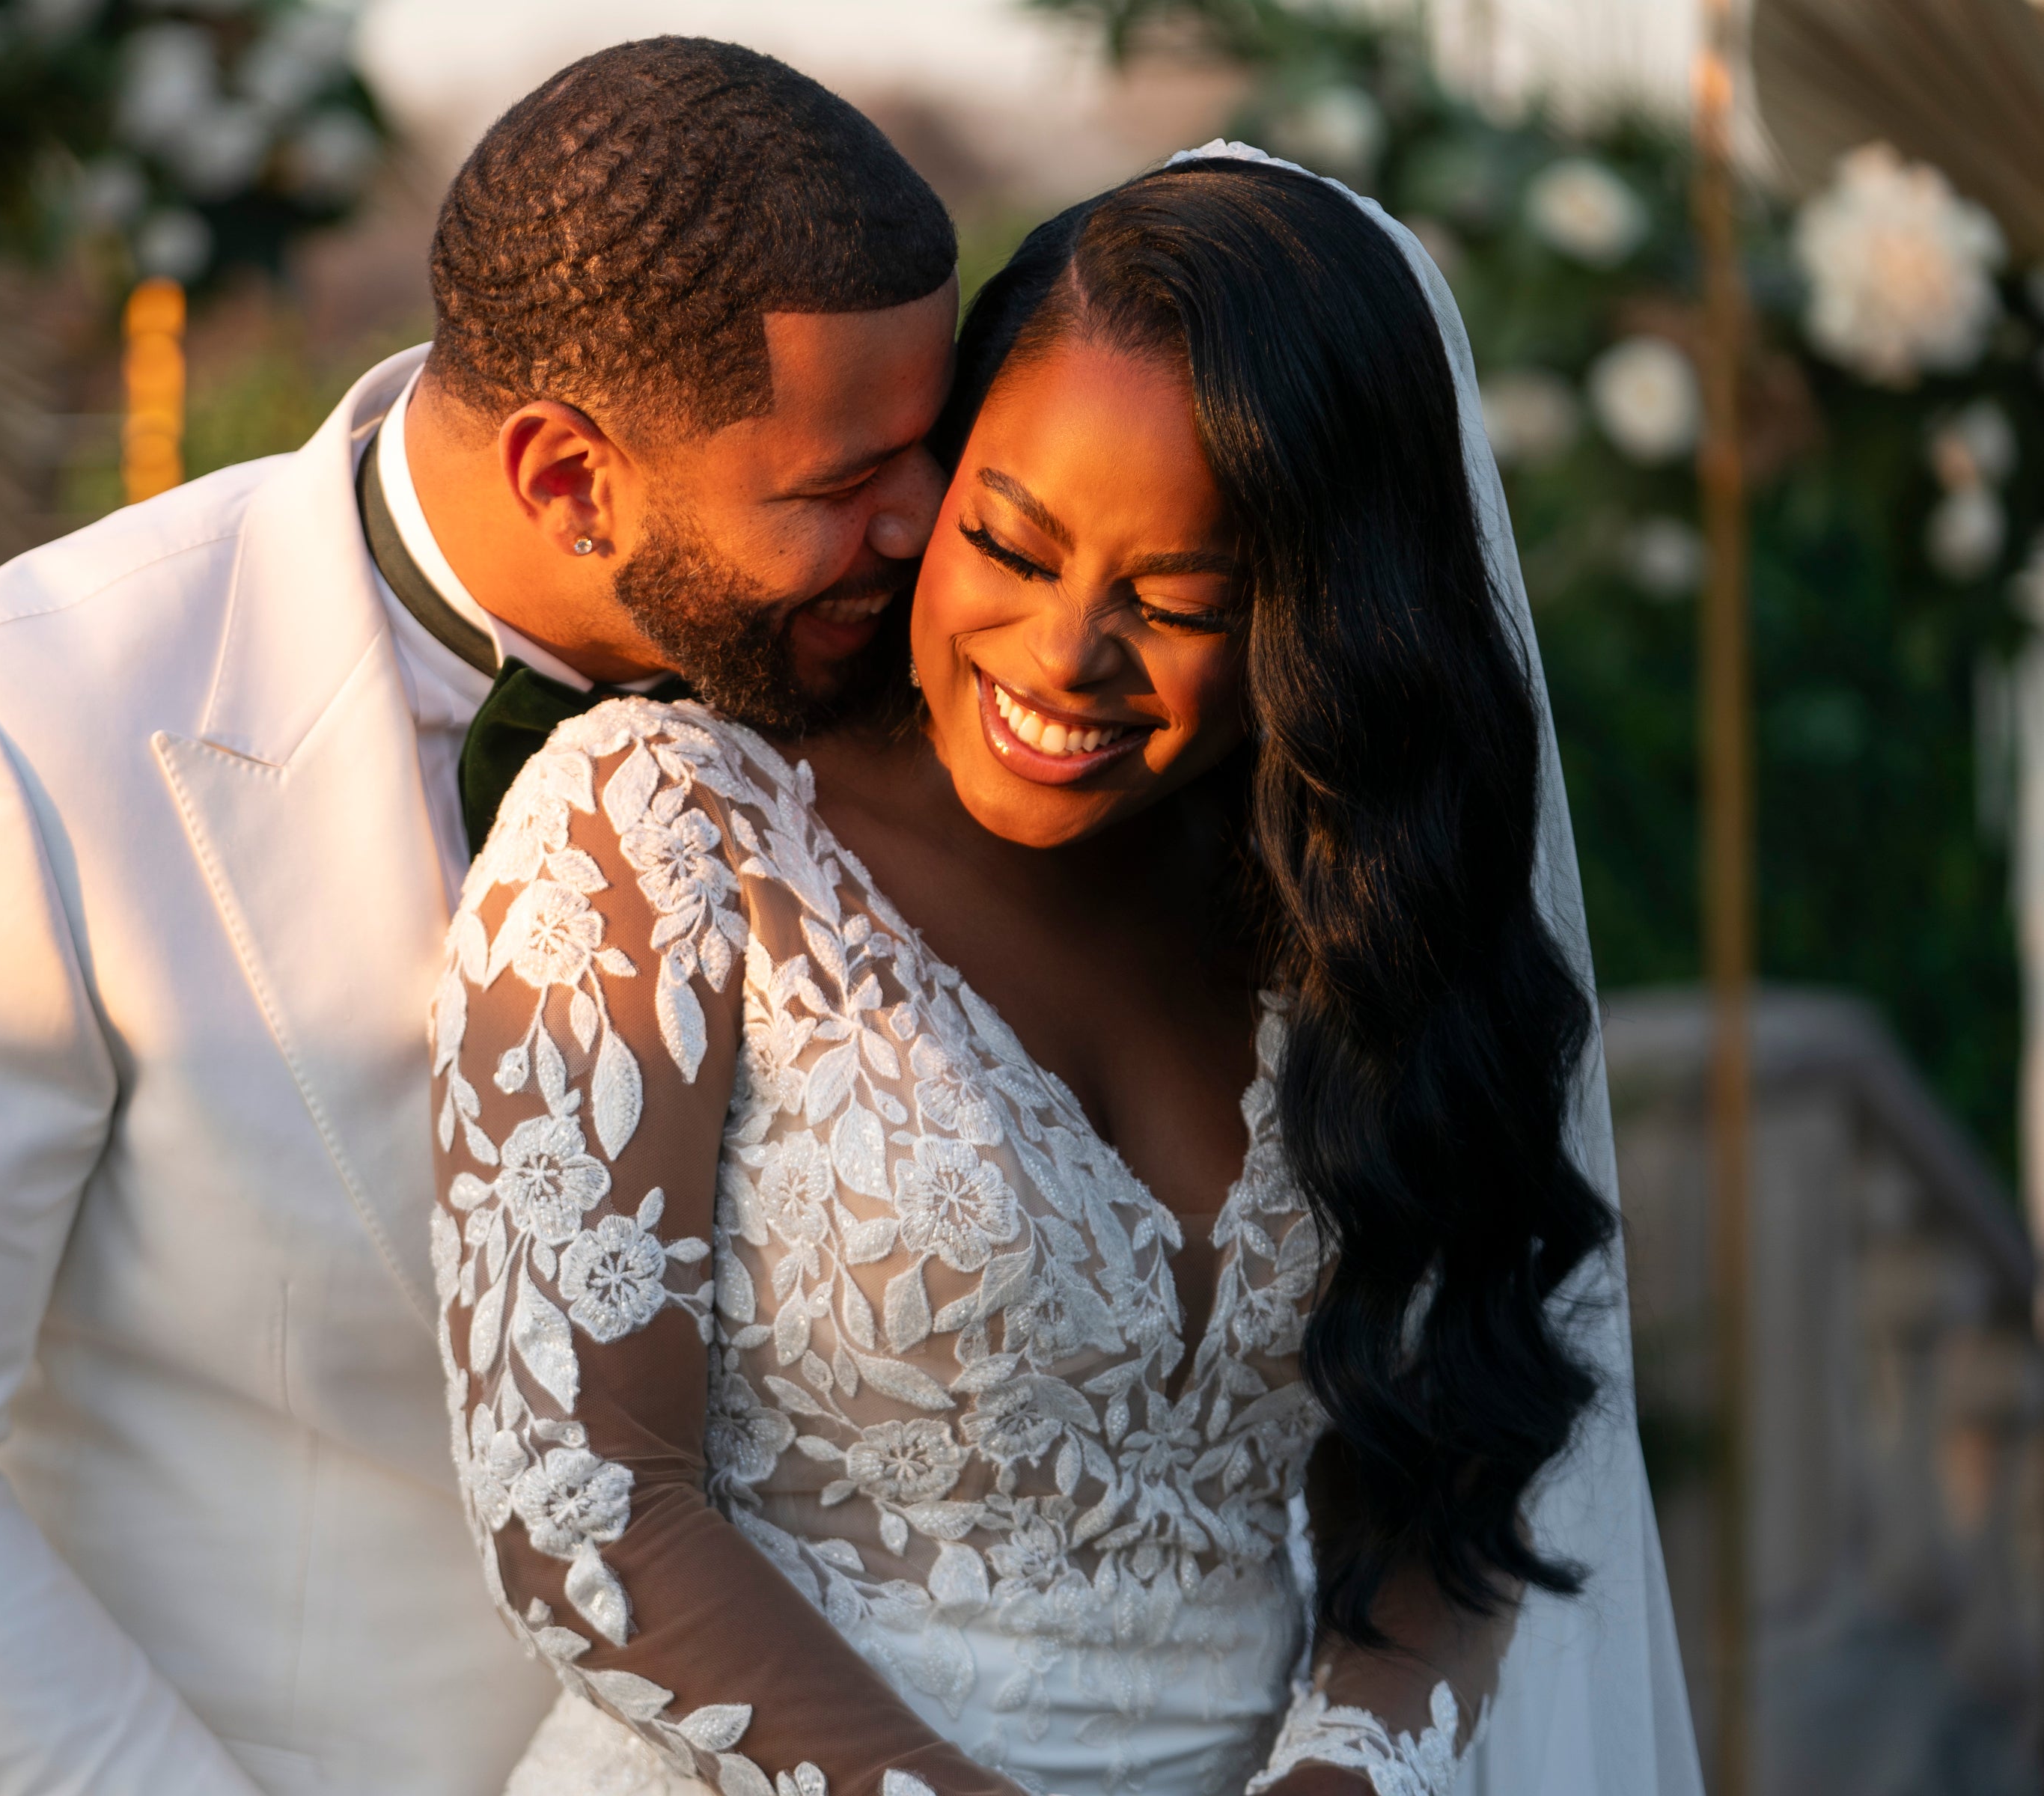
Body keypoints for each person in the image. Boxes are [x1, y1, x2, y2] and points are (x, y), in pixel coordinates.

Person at [0, 39, 957, 1796]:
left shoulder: (938, 686)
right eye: (838, 490)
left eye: (930, 450)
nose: (922, 533)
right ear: (567, 478)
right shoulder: (7, 741)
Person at [431, 149, 1701, 1796]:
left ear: (1314, 630)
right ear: (933, 485)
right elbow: (577, 1502)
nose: (1060, 659)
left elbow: (1457, 1456)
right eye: (1012, 550)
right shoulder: (665, 835)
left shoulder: (1349, 919)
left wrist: (1347, 1773)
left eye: (1177, 602)